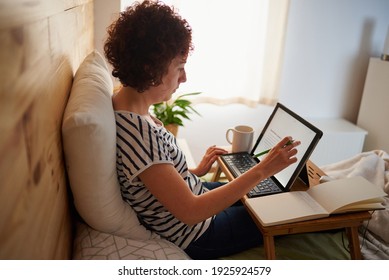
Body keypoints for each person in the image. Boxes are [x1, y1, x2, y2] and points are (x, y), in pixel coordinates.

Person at [104, 0, 300, 259]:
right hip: (200, 234)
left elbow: (153, 178)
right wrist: (263, 169)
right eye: (179, 68)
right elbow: (192, 211)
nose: (184, 78)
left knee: (268, 195)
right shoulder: (139, 135)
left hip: (194, 202)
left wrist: (194, 172)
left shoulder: (127, 106)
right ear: (150, 69)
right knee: (287, 210)